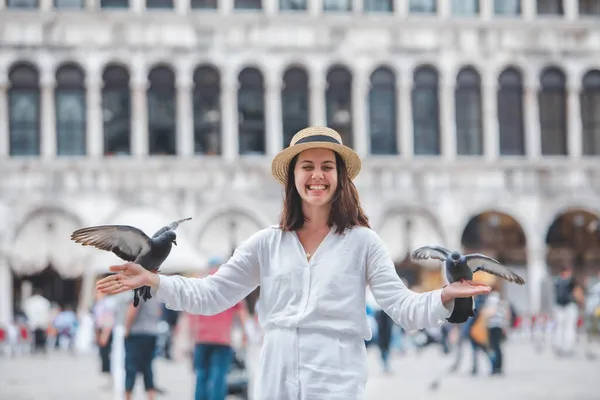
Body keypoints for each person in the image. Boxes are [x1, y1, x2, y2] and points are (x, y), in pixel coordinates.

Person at [97, 126, 491, 399]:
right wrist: (155, 279)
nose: (317, 176)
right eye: (307, 166)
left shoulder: (363, 243)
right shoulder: (267, 243)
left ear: (340, 177)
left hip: (336, 380)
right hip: (275, 379)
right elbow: (213, 293)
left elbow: (403, 307)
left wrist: (445, 295)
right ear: (293, 177)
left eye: (326, 166)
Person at [187, 263, 251, 400]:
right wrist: (246, 333)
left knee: (201, 374)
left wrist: (192, 334)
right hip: (223, 339)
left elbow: (191, 311)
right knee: (219, 375)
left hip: (201, 338)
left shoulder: (200, 282)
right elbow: (241, 312)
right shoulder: (229, 285)